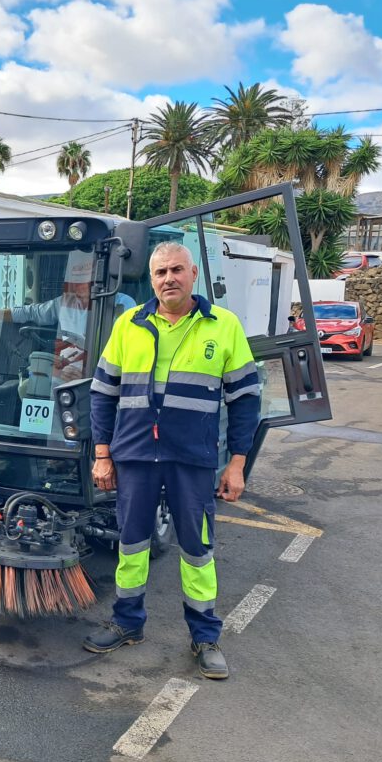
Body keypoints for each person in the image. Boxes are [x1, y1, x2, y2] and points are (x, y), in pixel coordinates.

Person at [83, 241, 260, 680]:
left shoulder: (223, 326)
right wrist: (102, 454)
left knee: (197, 550)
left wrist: (237, 463)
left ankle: (205, 637)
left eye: (177, 270)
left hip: (192, 459)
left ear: (193, 274)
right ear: (151, 279)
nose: (169, 279)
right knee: (131, 544)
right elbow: (102, 393)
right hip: (135, 455)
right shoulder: (129, 324)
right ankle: (127, 623)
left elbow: (244, 400)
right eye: (160, 272)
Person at [0, 250, 135, 382]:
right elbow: (33, 312)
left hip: (101, 377)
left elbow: (125, 351)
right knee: (28, 385)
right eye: (77, 278)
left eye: (86, 277)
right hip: (64, 374)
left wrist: (89, 372)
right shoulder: (65, 302)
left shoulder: (122, 304)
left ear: (99, 276)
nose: (81, 285)